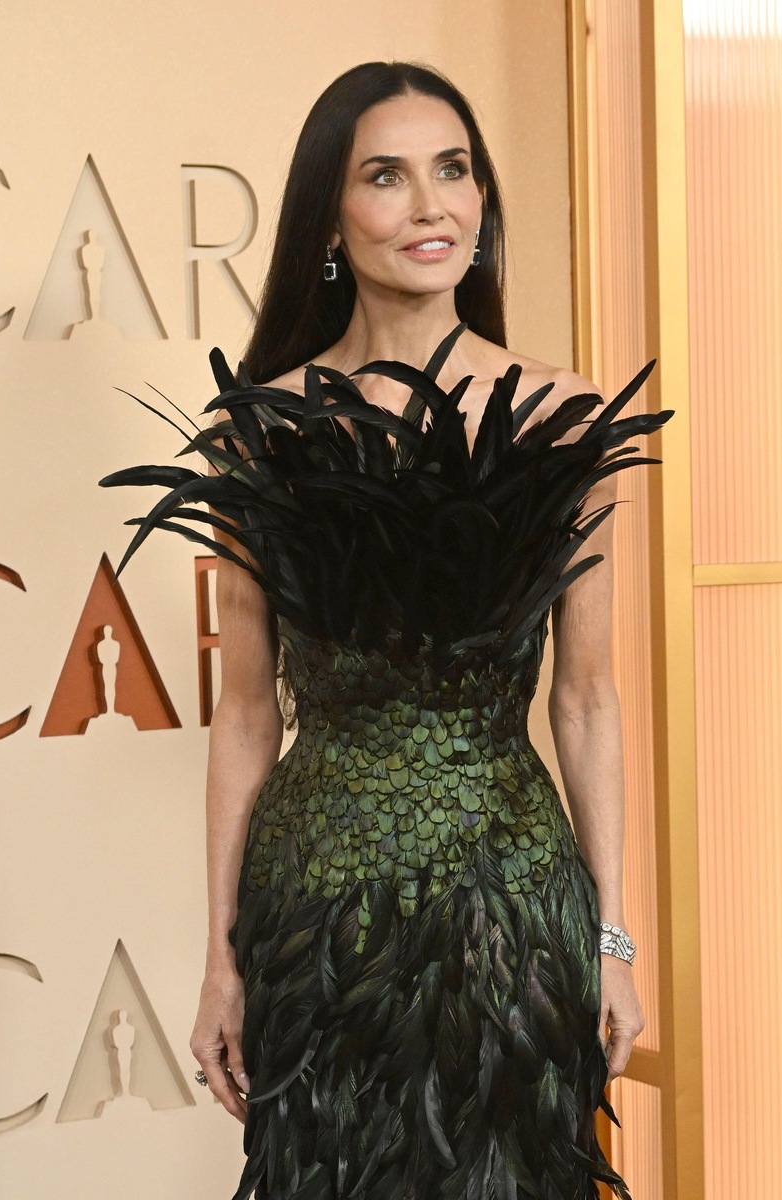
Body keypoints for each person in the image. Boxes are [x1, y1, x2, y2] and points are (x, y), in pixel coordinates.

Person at [101, 60, 672, 1200]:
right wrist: (220, 957)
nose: (430, 205)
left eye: (453, 170)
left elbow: (585, 698)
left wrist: (611, 939)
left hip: (509, 903)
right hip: (322, 910)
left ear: (482, 200)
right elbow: (247, 712)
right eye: (385, 176)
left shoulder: (563, 417)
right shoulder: (262, 433)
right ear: (329, 219)